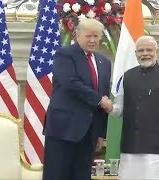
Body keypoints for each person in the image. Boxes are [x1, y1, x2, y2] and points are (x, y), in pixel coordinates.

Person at [42, 18, 113, 180]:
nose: (93, 40)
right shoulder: (65, 55)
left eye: (96, 36)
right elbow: (70, 83)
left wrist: (101, 133)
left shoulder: (104, 62)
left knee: (82, 175)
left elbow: (104, 94)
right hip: (63, 130)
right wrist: (100, 100)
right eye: (89, 36)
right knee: (57, 175)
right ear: (77, 35)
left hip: (89, 134)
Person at [110, 35, 159, 179]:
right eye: (141, 50)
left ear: (157, 52)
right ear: (136, 54)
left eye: (149, 50)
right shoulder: (127, 76)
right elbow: (119, 110)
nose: (145, 53)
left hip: (157, 152)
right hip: (129, 150)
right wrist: (108, 107)